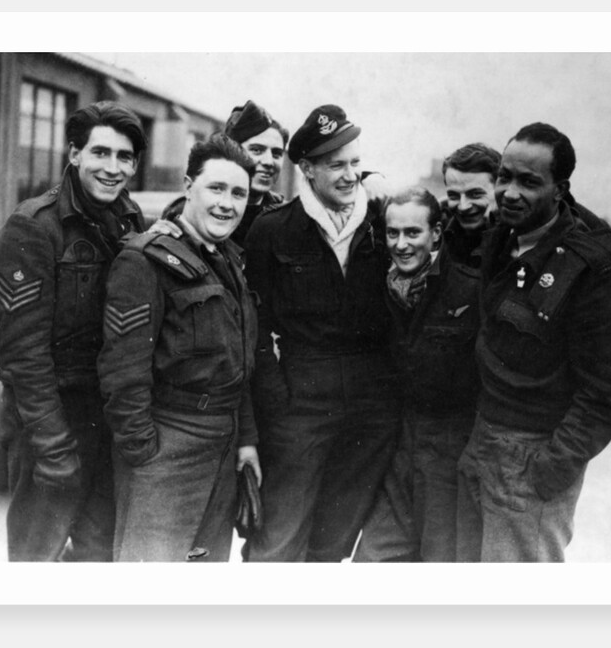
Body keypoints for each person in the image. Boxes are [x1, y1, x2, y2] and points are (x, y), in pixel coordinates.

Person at [456, 122, 611, 562]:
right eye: (504, 177)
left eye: (529, 182)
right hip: (482, 443)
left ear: (560, 190)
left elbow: (608, 395)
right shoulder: (502, 238)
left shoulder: (592, 274)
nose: (510, 192)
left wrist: (548, 471)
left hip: (533, 461)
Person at [0, 100, 147, 561]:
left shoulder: (129, 217)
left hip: (107, 420)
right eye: (100, 153)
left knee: (98, 558)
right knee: (36, 558)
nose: (112, 167)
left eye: (124, 157)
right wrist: (52, 445)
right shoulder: (33, 227)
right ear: (74, 154)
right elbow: (23, 355)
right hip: (51, 421)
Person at [242, 104, 399, 562]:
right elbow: (255, 328)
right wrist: (277, 398)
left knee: (333, 544)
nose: (350, 175)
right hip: (300, 408)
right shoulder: (272, 231)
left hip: (370, 412)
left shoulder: (383, 223)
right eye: (336, 165)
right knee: (278, 540)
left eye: (355, 162)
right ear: (307, 169)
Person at [97, 133, 262, 562]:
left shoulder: (228, 260)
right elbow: (122, 371)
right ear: (189, 185)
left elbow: (238, 362)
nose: (228, 203)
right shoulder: (145, 260)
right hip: (167, 447)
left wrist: (245, 440)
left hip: (221, 449)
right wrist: (145, 454)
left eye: (239, 193)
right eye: (216, 188)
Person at [353, 187, 482, 562]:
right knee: (373, 560)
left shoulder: (467, 288)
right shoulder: (382, 287)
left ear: (437, 234)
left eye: (413, 233)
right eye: (393, 233)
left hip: (449, 450)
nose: (402, 244)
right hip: (399, 445)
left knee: (440, 561)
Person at [160, 100, 288, 247]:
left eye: (277, 153)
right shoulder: (185, 212)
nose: (269, 162)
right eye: (256, 150)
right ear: (233, 152)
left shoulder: (287, 217)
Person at [441, 142, 501, 267]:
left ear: (499, 189)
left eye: (475, 194)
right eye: (454, 195)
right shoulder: (439, 229)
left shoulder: (516, 238)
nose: (463, 206)